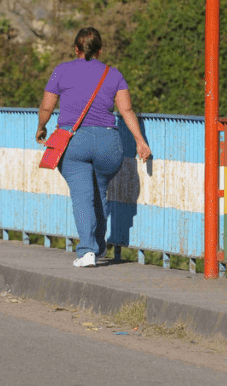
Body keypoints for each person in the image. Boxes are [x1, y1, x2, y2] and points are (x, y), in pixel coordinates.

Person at [36, 27, 152, 268]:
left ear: (75, 49)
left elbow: (47, 107)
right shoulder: (113, 74)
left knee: (82, 197)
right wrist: (140, 141)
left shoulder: (62, 70)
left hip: (75, 141)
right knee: (99, 194)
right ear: (99, 50)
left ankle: (87, 250)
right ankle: (97, 248)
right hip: (109, 143)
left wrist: (41, 127)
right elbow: (126, 110)